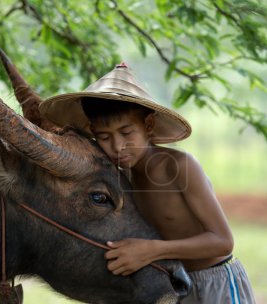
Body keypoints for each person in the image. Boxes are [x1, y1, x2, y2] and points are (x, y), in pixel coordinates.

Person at [39, 62, 255, 303]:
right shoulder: (123, 179)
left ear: (148, 125)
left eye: (126, 132)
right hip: (172, 285)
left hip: (216, 283)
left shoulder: (180, 167)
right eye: (104, 137)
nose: (118, 146)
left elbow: (223, 242)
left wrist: (152, 251)